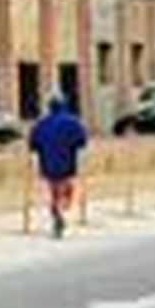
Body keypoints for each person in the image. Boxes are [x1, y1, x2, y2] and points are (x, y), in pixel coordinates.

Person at [29, 95, 88, 238]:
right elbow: (82, 142)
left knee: (54, 190)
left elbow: (33, 144)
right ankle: (61, 211)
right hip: (67, 162)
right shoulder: (73, 121)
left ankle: (57, 213)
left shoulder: (41, 123)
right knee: (66, 187)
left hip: (47, 163)